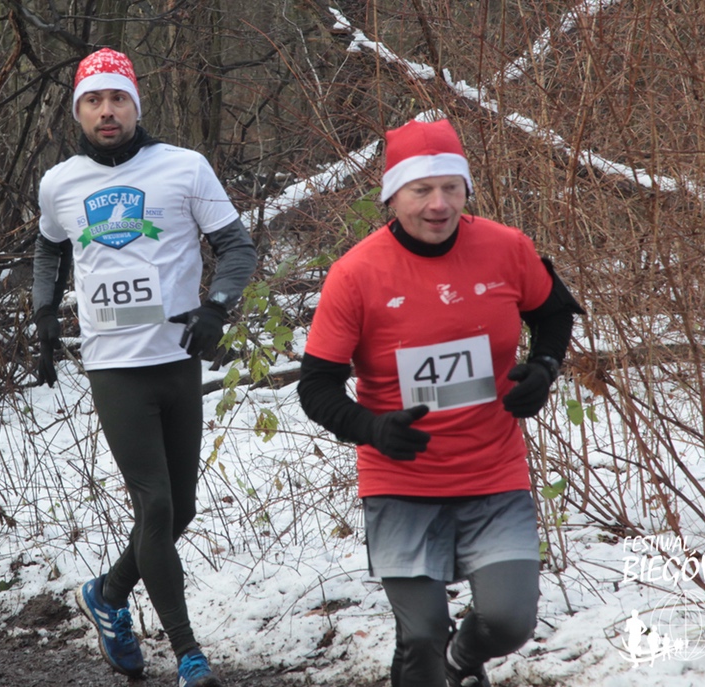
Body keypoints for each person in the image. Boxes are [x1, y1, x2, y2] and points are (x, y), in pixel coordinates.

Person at [297, 118, 583, 687]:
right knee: (422, 635)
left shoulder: (506, 248)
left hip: (493, 472)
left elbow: (554, 313)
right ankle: (435, 662)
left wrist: (545, 368)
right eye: (421, 190)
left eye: (451, 187)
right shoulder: (355, 274)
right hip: (400, 480)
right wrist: (372, 428)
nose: (438, 204)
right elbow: (317, 387)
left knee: (509, 621)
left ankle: (461, 662)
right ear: (392, 196)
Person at [32, 48, 256, 687]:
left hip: (178, 361)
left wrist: (216, 306)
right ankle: (188, 653)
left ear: (135, 105)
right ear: (78, 112)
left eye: (117, 99)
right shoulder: (60, 182)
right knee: (155, 505)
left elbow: (236, 247)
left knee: (179, 510)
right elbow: (48, 249)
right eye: (93, 101)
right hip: (115, 369)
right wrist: (44, 316)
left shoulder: (184, 167)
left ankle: (106, 594)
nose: (107, 111)